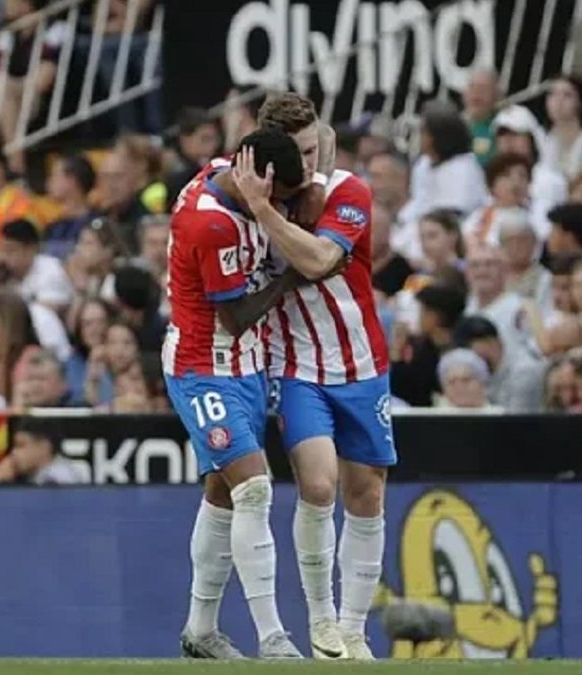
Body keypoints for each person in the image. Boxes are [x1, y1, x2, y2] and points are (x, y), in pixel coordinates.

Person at [248, 92, 393, 661]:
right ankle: (322, 619)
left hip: (361, 363)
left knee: (367, 493)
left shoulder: (348, 192)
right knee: (317, 485)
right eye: (298, 154)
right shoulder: (251, 195)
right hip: (296, 365)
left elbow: (317, 260)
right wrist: (263, 205)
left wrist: (268, 214)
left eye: (314, 150)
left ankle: (355, 630)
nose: (308, 164)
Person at [165, 128, 305, 660]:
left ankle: (200, 630)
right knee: (254, 489)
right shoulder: (212, 223)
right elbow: (236, 316)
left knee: (223, 493)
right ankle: (273, 637)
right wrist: (289, 279)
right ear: (256, 178)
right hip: (203, 366)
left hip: (248, 368)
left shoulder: (232, 173)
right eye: (277, 197)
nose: (280, 209)